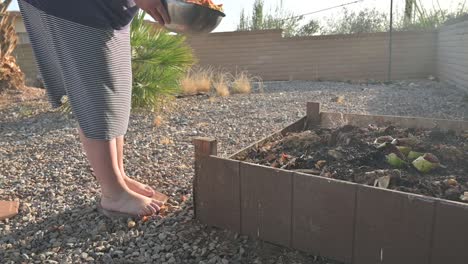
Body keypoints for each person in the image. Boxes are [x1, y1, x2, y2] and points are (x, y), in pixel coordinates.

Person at [18, 0, 170, 218]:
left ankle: (118, 177)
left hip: (112, 10)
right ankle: (113, 193)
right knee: (96, 94)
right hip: (80, 8)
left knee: (114, 93)